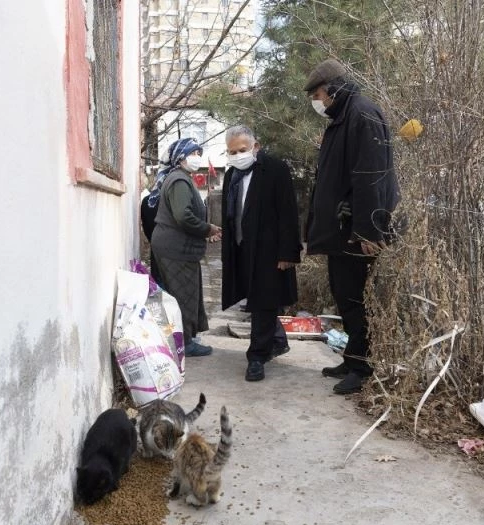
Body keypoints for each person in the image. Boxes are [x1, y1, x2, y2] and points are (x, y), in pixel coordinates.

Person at [303, 58, 399, 394]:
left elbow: (372, 179)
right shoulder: (342, 117)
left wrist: (369, 231)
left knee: (356, 299)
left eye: (316, 94)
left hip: (356, 233)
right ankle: (352, 357)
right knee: (345, 297)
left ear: (330, 90)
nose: (316, 102)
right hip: (342, 231)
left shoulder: (361, 115)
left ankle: (362, 368)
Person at [220, 126, 302, 382]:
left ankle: (256, 357)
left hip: (269, 249)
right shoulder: (231, 175)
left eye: (242, 150)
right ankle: (275, 341)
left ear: (256, 146)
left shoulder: (275, 170)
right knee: (257, 299)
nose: (237, 155)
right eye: (232, 152)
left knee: (263, 300)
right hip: (243, 247)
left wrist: (288, 251)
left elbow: (288, 212)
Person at [151, 138, 222, 357]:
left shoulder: (180, 178)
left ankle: (184, 338)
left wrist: (204, 231)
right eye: (193, 153)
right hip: (175, 249)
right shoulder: (179, 180)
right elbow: (183, 216)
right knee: (183, 295)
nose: (197, 157)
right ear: (181, 158)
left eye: (199, 153)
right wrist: (207, 228)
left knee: (184, 293)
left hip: (175, 246)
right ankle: (185, 343)